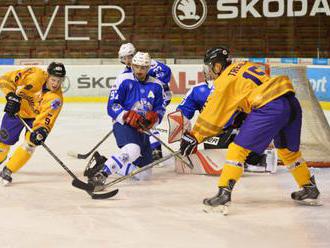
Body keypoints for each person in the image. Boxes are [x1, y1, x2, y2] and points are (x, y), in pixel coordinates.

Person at [180, 46, 320, 211]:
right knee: (288, 151)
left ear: (217, 66)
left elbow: (213, 113)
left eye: (209, 67)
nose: (208, 71)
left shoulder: (225, 80)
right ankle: (309, 187)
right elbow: (249, 91)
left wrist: (195, 136)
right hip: (289, 102)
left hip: (269, 107)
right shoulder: (244, 65)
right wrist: (241, 114)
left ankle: (224, 192)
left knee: (237, 150)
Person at [84, 52, 165, 189]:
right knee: (133, 148)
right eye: (137, 67)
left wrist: (154, 118)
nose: (139, 71)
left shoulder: (157, 85)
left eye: (143, 67)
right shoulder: (123, 79)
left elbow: (160, 108)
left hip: (143, 129)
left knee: (144, 174)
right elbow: (112, 105)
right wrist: (127, 115)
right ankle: (102, 174)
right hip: (124, 124)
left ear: (148, 68)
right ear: (132, 65)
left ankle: (104, 163)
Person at [176, 66, 271, 172]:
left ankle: (255, 153)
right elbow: (181, 114)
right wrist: (187, 134)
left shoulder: (231, 87)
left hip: (231, 130)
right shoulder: (198, 90)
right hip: (213, 135)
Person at [0, 62, 66, 185]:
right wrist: (11, 96)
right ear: (47, 75)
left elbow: (46, 120)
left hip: (34, 119)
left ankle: (9, 169)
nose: (56, 84)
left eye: (59, 80)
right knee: (4, 141)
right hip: (16, 111)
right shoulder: (34, 74)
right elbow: (5, 79)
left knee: (31, 143)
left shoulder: (56, 99)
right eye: (53, 79)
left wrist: (41, 131)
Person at [118, 43, 172, 161]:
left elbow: (166, 71)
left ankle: (156, 150)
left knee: (148, 119)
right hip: (144, 98)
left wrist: (153, 80)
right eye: (124, 57)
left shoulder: (147, 63)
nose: (127, 60)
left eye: (129, 56)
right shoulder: (127, 72)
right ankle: (153, 150)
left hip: (160, 96)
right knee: (143, 120)